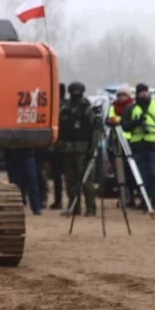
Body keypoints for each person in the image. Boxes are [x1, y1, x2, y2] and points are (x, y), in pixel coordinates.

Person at [123, 83, 155, 210]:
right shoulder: (131, 108)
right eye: (141, 92)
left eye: (145, 91)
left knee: (154, 174)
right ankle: (144, 199)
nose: (144, 94)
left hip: (154, 146)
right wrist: (136, 122)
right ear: (137, 94)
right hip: (138, 146)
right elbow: (125, 126)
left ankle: (154, 198)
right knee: (141, 175)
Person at [57, 81, 98, 216]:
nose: (75, 93)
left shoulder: (87, 108)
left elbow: (95, 130)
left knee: (86, 180)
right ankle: (74, 207)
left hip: (83, 150)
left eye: (77, 91)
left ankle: (91, 208)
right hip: (67, 149)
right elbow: (60, 128)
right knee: (70, 181)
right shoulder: (64, 108)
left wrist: (93, 149)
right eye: (72, 91)